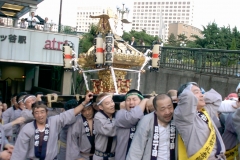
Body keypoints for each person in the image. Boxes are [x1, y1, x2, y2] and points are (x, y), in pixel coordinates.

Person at [11, 91, 93, 160]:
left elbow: (71, 113)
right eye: (36, 112)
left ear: (47, 112)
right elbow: (19, 151)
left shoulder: (54, 121)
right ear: (33, 114)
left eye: (42, 112)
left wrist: (84, 102)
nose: (40, 115)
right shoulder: (27, 128)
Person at [174, 82, 226, 159]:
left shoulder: (204, 111)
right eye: (196, 92)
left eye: (201, 92)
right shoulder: (184, 115)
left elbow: (217, 98)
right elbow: (188, 96)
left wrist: (200, 96)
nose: (201, 94)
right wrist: (189, 88)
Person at [127, 94, 177, 160]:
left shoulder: (177, 119)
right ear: (155, 111)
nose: (167, 112)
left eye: (170, 107)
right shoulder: (147, 121)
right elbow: (136, 149)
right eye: (163, 109)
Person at [115, 89, 148, 160]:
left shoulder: (147, 117)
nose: (131, 102)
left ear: (140, 101)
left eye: (134, 99)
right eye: (128, 100)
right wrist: (145, 101)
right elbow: (133, 117)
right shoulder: (120, 114)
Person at [93, 93, 116, 160]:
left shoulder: (116, 115)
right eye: (107, 103)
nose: (112, 105)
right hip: (100, 157)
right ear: (101, 107)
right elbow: (110, 130)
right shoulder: (98, 117)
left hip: (113, 156)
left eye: (112, 101)